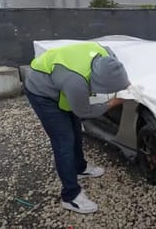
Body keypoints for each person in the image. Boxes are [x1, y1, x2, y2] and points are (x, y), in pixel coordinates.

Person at [24, 42, 130, 214]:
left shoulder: (106, 55)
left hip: (59, 82)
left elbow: (116, 74)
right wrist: (112, 103)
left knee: (75, 130)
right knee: (63, 141)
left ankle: (80, 168)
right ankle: (70, 196)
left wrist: (126, 84)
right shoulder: (75, 81)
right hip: (42, 92)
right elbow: (84, 111)